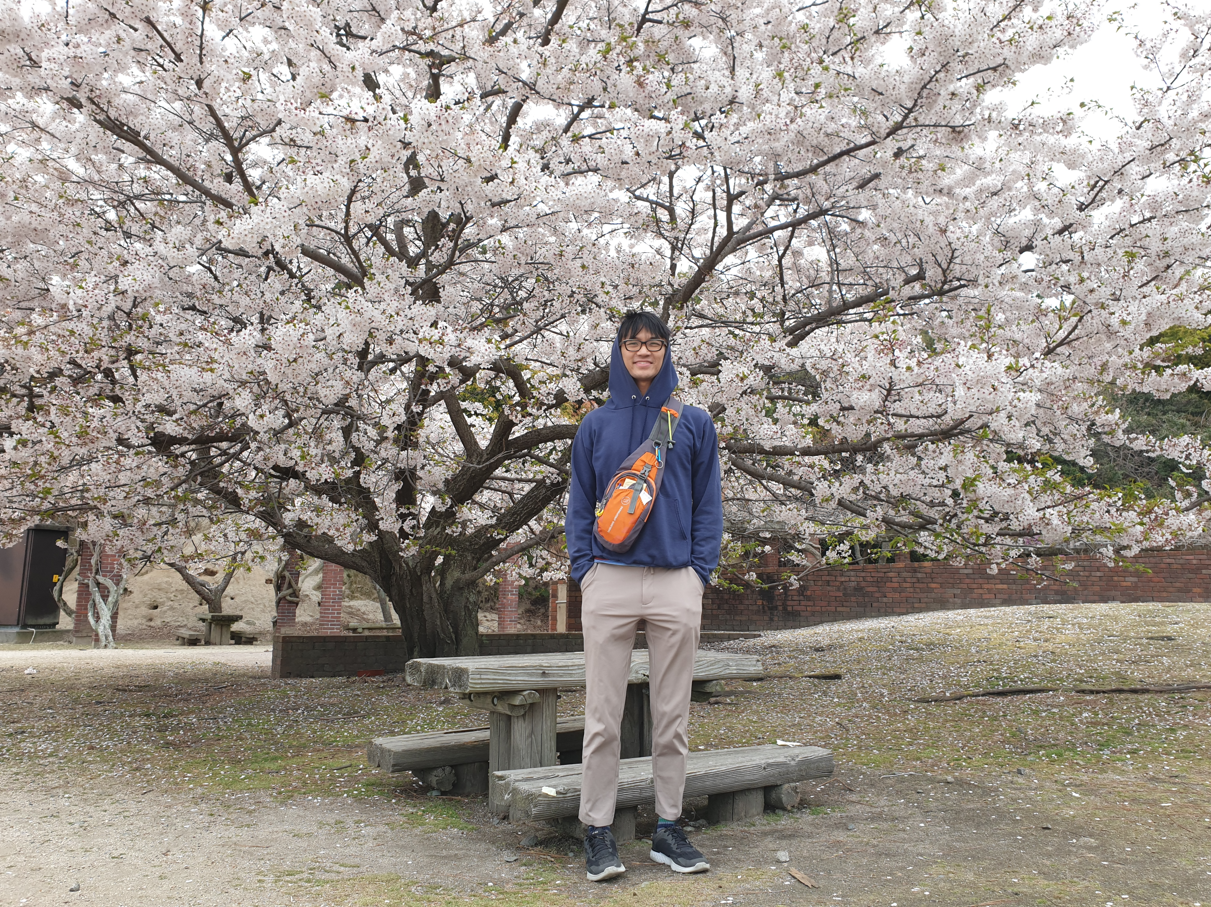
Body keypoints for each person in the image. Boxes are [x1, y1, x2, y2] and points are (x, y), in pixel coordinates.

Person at [566, 310, 724, 882]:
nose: (643, 351)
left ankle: (668, 829)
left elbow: (708, 504)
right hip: (608, 579)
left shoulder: (694, 422)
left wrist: (699, 573)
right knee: (602, 716)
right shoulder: (595, 425)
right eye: (633, 342)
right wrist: (585, 571)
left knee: (672, 715)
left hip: (675, 580)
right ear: (619, 350)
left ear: (666, 351)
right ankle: (598, 831)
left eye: (654, 343)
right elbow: (579, 502)